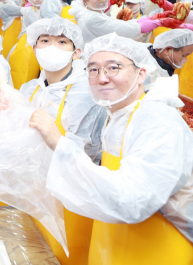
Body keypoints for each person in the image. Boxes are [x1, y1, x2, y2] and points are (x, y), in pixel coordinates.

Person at [30, 33, 193, 264]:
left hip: (157, 249)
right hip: (111, 246)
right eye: (93, 70)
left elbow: (131, 202)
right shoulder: (118, 115)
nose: (102, 78)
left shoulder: (157, 120)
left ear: (141, 74)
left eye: (113, 68)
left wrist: (60, 144)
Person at [21, 17, 108, 264]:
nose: (52, 48)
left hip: (71, 192)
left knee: (65, 255)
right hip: (35, 187)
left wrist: (53, 138)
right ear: (34, 47)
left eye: (62, 42)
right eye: (45, 41)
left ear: (77, 52)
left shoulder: (87, 93)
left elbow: (87, 150)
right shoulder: (30, 89)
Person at [69, 0, 186, 43]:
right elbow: (124, 29)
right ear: (85, 0)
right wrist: (158, 21)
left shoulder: (92, 13)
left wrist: (154, 18)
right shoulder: (91, 18)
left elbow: (122, 25)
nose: (103, 0)